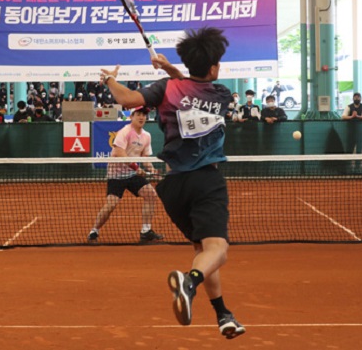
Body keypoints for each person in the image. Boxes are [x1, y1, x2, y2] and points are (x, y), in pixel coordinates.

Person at [100, 27, 245, 339]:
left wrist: (108, 79)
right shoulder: (221, 94)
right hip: (206, 180)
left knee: (203, 250)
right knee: (218, 250)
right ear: (214, 67)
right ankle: (189, 282)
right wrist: (171, 69)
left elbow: (127, 99)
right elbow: (196, 88)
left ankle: (223, 314)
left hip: (174, 187)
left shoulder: (167, 88)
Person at [88, 106, 164, 243]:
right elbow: (118, 152)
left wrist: (152, 170)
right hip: (116, 175)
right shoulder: (125, 132)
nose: (142, 117)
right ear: (131, 117)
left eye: (144, 115)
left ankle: (146, 231)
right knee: (111, 205)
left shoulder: (147, 136)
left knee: (151, 194)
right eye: (138, 114)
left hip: (132, 175)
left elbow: (145, 157)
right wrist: (135, 167)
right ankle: (94, 231)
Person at [342, 92, 362, 170]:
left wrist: (356, 116)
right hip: (351, 133)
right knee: (349, 150)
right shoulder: (348, 107)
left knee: (359, 151)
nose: (357, 98)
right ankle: (348, 167)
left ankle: (357, 168)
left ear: (361, 98)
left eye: (358, 97)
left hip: (361, 133)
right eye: (355, 97)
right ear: (353, 98)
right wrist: (352, 117)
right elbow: (343, 116)